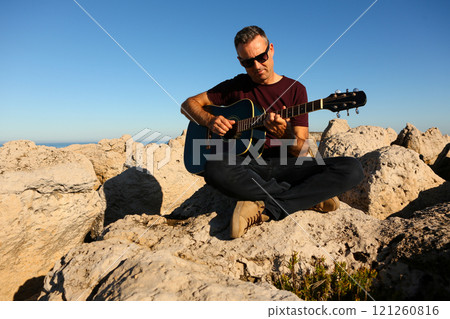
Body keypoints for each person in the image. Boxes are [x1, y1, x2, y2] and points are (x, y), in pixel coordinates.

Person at [181, 26, 363, 239]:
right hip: (246, 166)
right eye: (249, 62)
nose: (257, 66)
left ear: (272, 49)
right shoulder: (236, 86)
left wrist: (284, 133)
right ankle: (306, 198)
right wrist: (210, 121)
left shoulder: (296, 90)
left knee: (352, 169)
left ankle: (267, 208)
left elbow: (300, 148)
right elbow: (188, 105)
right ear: (241, 62)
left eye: (262, 57)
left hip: (285, 165)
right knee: (214, 168)